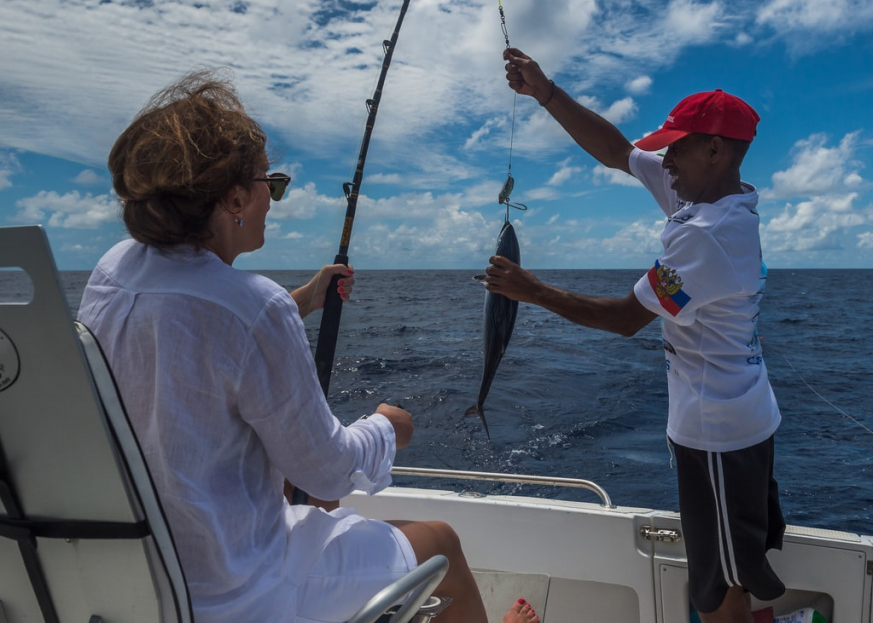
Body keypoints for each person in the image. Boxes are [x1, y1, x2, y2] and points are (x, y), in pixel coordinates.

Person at [77, 70, 537, 623]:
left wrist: (304, 300)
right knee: (440, 544)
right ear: (234, 199)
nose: (274, 199)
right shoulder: (254, 305)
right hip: (236, 587)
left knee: (313, 499)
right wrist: (389, 426)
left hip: (145, 577)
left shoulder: (114, 269)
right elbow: (329, 469)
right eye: (270, 185)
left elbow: (192, 333)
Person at [485, 48, 785, 623]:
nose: (663, 159)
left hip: (718, 436)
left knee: (719, 590)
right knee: (737, 568)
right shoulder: (708, 196)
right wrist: (546, 93)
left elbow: (627, 318)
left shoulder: (708, 236)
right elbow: (619, 152)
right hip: (742, 420)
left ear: (715, 149)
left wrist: (533, 290)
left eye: (675, 147)